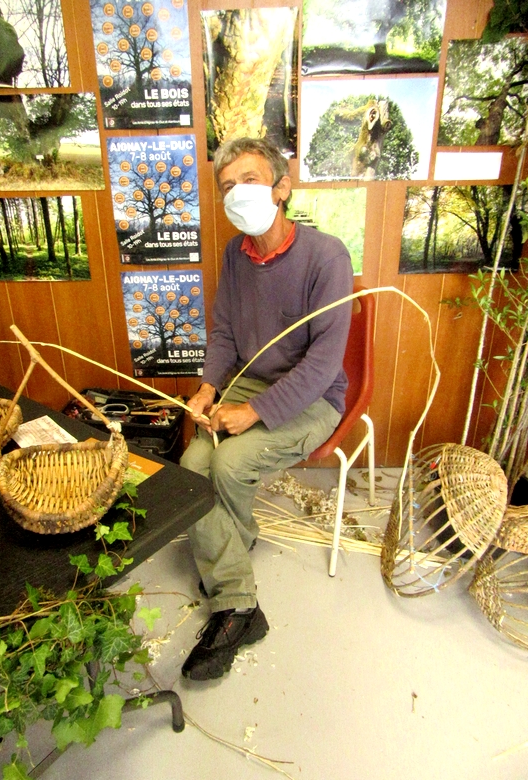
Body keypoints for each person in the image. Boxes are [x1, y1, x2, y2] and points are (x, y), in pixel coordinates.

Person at [180, 137, 353, 681]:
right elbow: (225, 333)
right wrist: (209, 388)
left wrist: (253, 412)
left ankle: (234, 606)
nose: (237, 193)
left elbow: (323, 365)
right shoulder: (236, 255)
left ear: (282, 188)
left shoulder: (327, 256)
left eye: (250, 181)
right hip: (250, 382)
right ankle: (236, 559)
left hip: (314, 396)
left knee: (229, 462)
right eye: (227, 186)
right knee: (192, 467)